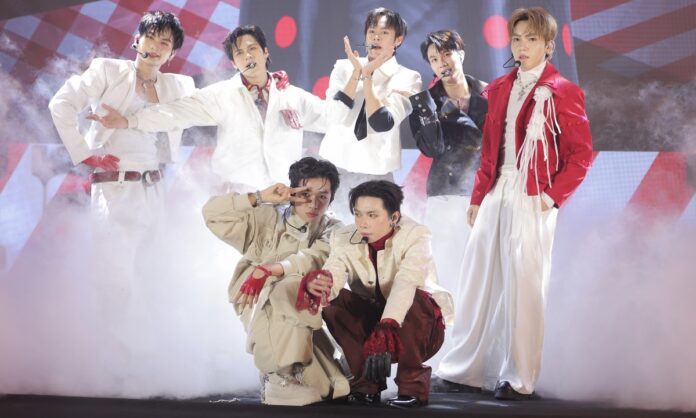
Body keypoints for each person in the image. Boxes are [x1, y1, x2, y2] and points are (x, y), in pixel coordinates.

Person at [435, 7, 593, 400]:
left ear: (549, 45)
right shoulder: (500, 87)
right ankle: (465, 369)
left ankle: (518, 377)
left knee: (524, 286)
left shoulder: (562, 91)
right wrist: (478, 196)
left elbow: (581, 155)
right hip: (497, 190)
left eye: (531, 39)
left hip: (533, 193)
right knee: (477, 280)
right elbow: (490, 151)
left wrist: (550, 198)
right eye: (517, 39)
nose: (522, 46)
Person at [48, 10, 194, 298]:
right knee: (114, 277)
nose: (155, 46)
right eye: (150, 37)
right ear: (137, 39)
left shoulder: (178, 86)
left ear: (173, 53)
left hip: (154, 187)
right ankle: (109, 328)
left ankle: (144, 328)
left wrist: (266, 82)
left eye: (164, 43)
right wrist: (84, 154)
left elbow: (215, 103)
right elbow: (61, 103)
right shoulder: (108, 71)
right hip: (115, 185)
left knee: (151, 276)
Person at [91, 25, 327, 192]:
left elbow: (332, 118)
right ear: (234, 63)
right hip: (241, 198)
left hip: (285, 197)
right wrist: (130, 121)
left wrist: (349, 84)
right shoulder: (223, 94)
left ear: (265, 52)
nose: (247, 56)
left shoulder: (294, 96)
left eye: (252, 49)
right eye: (239, 53)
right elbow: (176, 113)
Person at [202, 157, 349, 406]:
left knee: (330, 386)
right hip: (254, 294)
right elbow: (212, 214)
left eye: (323, 196)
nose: (313, 203)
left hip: (303, 302)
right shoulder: (266, 215)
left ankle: (287, 373)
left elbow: (316, 257)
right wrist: (259, 197)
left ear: (332, 198)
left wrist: (273, 269)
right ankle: (278, 375)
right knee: (279, 299)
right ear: (292, 191)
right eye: (305, 194)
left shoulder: (333, 228)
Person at [298, 180, 453, 408]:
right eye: (358, 214)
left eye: (372, 215)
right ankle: (366, 385)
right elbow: (334, 273)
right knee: (333, 303)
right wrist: (321, 286)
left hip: (420, 327)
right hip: (371, 320)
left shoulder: (417, 235)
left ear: (394, 217)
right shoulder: (343, 236)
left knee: (416, 297)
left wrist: (387, 324)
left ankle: (412, 388)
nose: (362, 222)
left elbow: (406, 282)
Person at [408, 29, 488, 305]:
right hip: (446, 193)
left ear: (460, 54)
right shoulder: (426, 103)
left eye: (446, 54)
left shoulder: (490, 93)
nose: (442, 62)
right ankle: (449, 325)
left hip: (486, 192)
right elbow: (432, 148)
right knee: (447, 268)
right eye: (434, 59)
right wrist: (424, 106)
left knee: (485, 269)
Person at [319, 8, 421, 215]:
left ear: (398, 40)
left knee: (376, 232)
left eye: (384, 33)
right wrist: (355, 74)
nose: (376, 37)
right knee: (329, 231)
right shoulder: (343, 67)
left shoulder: (408, 78)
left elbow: (382, 122)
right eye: (371, 31)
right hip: (334, 166)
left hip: (376, 172)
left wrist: (367, 77)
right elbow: (334, 116)